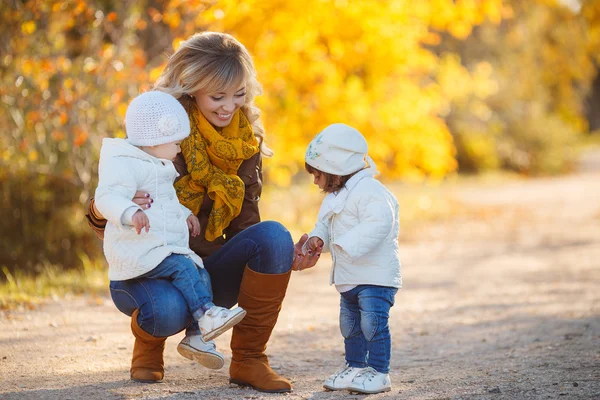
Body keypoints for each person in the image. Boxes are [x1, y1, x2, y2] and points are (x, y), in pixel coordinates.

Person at [86, 32, 320, 393]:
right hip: (151, 268)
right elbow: (106, 205)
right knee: (166, 311)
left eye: (239, 94)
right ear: (190, 88)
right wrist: (126, 207)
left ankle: (249, 360)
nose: (229, 106)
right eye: (218, 96)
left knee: (274, 236)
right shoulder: (159, 130)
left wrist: (282, 257)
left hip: (202, 268)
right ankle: (149, 340)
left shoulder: (245, 141)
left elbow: (246, 223)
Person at [95, 91, 247, 353]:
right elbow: (107, 197)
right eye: (176, 143)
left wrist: (185, 214)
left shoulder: (159, 165)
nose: (179, 149)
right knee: (182, 266)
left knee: (199, 271)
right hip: (137, 253)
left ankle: (197, 336)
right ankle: (207, 314)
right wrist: (130, 211)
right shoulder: (125, 164)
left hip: (158, 250)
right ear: (155, 140)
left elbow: (166, 201)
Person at [303, 123, 402, 394]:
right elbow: (325, 223)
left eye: (318, 174)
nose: (315, 181)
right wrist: (317, 238)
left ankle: (379, 372)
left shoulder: (370, 191)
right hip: (349, 278)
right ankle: (355, 366)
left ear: (336, 169)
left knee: (372, 324)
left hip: (374, 277)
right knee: (350, 326)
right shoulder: (336, 196)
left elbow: (380, 222)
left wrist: (344, 245)